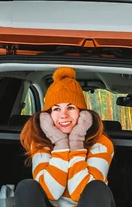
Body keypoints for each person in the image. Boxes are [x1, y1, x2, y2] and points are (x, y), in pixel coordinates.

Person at [16, 67, 115, 207]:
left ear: (82, 113)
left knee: (97, 188)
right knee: (27, 187)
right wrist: (60, 144)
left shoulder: (101, 144)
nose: (64, 115)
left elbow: (79, 192)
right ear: (47, 116)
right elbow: (51, 192)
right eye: (56, 109)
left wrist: (76, 142)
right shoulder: (39, 143)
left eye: (71, 108)